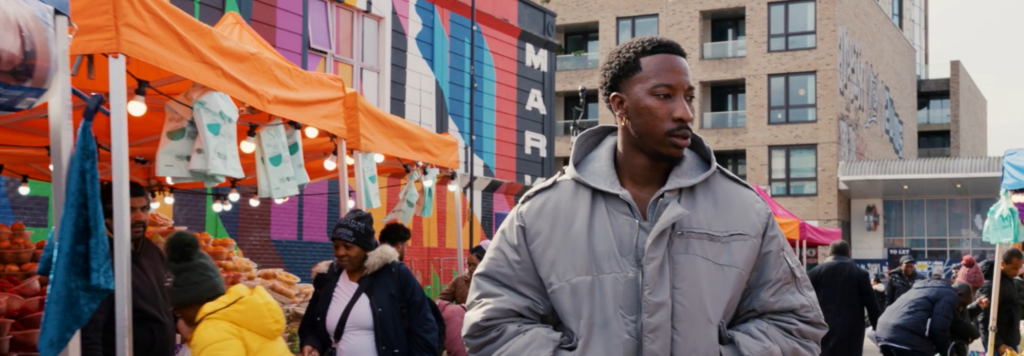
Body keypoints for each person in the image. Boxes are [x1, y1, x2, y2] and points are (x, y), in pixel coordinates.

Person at [462, 36, 827, 355]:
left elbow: (794, 323)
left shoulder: (745, 209)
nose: (684, 113)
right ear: (620, 106)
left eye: (688, 97)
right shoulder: (541, 212)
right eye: (664, 96)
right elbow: (493, 323)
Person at [300, 209, 437, 356]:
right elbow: (311, 326)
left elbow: (424, 330)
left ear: (366, 248)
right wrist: (312, 344)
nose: (339, 252)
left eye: (348, 247)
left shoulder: (396, 275)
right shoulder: (327, 279)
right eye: (336, 246)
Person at [83, 182, 175, 356]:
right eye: (130, 210)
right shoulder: (98, 261)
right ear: (107, 217)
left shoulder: (152, 251)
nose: (140, 217)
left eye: (144, 209)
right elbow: (89, 334)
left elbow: (166, 305)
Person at [164, 232, 291, 355]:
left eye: (179, 313)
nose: (180, 321)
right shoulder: (243, 316)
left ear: (190, 307)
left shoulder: (212, 332)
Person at [377, 221, 447, 356]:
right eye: (406, 246)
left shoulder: (367, 272)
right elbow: (421, 319)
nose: (406, 249)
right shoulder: (399, 272)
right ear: (399, 246)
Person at [808, 240, 881, 356]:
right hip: (852, 330)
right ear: (849, 254)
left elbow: (806, 302)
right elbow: (872, 304)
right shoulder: (860, 274)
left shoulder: (814, 273)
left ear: (829, 253)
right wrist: (878, 328)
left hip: (823, 328)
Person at [874, 276, 959, 356]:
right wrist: (948, 353)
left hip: (883, 332)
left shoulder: (916, 289)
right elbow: (938, 329)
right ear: (961, 294)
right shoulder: (949, 293)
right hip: (905, 337)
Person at [979, 248, 1024, 355]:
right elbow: (984, 319)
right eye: (1013, 268)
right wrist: (998, 344)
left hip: (1010, 340)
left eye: (1018, 269)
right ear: (1003, 264)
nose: (1016, 272)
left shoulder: (1008, 280)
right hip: (998, 344)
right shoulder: (991, 285)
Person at [949, 282, 988, 356]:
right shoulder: (949, 306)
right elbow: (958, 322)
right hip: (952, 347)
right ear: (959, 294)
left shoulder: (959, 304)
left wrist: (977, 306)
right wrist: (974, 332)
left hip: (960, 345)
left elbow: (965, 315)